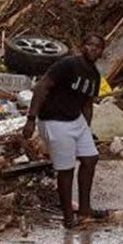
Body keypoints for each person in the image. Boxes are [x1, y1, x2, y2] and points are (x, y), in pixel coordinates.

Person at [22, 33, 106, 228]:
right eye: (90, 44)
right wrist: (31, 119)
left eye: (98, 47)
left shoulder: (94, 75)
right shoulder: (68, 64)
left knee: (90, 159)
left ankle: (85, 209)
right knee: (66, 169)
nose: (93, 49)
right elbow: (42, 87)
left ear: (102, 52)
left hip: (76, 119)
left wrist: (87, 128)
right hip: (54, 120)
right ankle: (68, 217)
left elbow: (87, 104)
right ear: (82, 46)